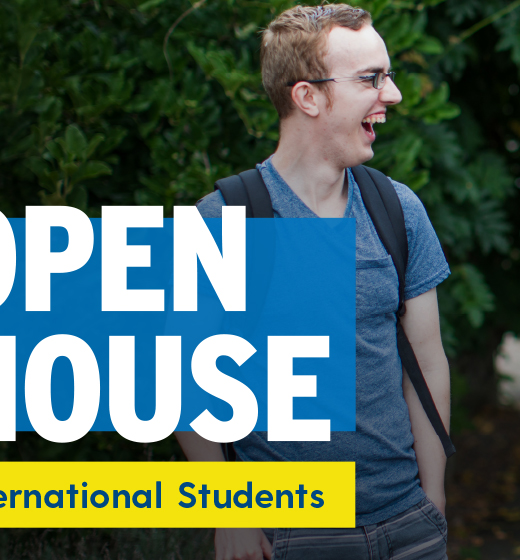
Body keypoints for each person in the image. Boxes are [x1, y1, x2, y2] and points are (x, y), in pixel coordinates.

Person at [176, 5, 452, 559]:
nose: (392, 95)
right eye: (371, 79)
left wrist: (434, 502)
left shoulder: (397, 209)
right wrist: (226, 518)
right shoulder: (224, 219)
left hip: (407, 525)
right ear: (308, 97)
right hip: (292, 538)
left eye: (388, 75)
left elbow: (426, 364)